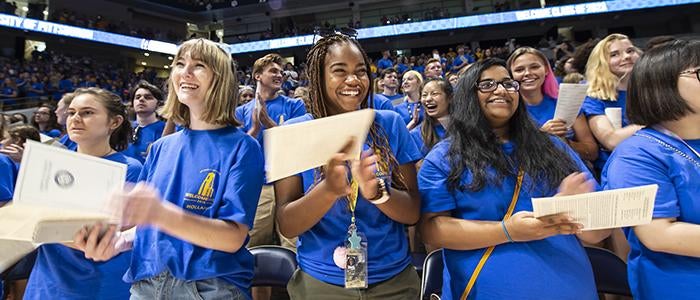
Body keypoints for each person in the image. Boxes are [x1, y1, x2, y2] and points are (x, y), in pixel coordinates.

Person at [78, 38, 264, 300]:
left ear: (220, 79)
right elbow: (147, 224)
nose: (185, 72)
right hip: (146, 284)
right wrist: (121, 241)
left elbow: (232, 238)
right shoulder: (160, 148)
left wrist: (160, 214)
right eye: (179, 64)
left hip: (207, 287)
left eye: (198, 65)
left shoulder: (244, 147)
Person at [419, 58, 610, 300]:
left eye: (508, 84)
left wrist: (582, 210)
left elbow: (595, 234)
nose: (501, 90)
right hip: (484, 288)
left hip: (569, 284)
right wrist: (507, 231)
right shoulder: (444, 157)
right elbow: (431, 231)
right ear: (467, 95)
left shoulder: (552, 147)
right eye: (487, 84)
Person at [275, 33, 422, 299]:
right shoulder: (293, 133)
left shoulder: (390, 124)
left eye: (361, 71)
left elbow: (412, 212)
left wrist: (378, 193)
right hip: (321, 282)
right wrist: (328, 190)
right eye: (339, 71)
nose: (353, 80)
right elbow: (287, 224)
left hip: (393, 280)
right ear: (319, 78)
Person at [603, 39, 700, 300]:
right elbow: (659, 234)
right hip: (681, 286)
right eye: (699, 72)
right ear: (661, 84)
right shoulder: (636, 154)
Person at [23, 87, 142, 300]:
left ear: (114, 122)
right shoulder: (50, 164)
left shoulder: (131, 169)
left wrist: (40, 224)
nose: (76, 118)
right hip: (47, 285)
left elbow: (109, 236)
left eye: (87, 112)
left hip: (100, 287)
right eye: (71, 113)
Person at [235, 53, 306, 254]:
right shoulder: (241, 112)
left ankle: (293, 287)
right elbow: (238, 152)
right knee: (254, 248)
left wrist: (269, 125)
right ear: (257, 75)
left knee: (293, 248)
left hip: (290, 182)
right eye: (273, 71)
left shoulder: (295, 105)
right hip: (258, 185)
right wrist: (255, 129)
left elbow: (299, 144)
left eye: (281, 72)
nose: (280, 75)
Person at [507, 47, 598, 163]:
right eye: (519, 70)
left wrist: (565, 143)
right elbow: (507, 158)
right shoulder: (507, 111)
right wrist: (542, 137)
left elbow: (592, 152)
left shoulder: (567, 102)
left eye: (534, 67)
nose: (528, 73)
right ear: (511, 76)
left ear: (546, 70)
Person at [582, 34, 644, 172]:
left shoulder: (652, 89)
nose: (626, 57)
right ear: (601, 63)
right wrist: (659, 122)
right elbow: (611, 140)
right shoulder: (593, 97)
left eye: (630, 51)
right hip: (621, 168)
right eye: (615, 54)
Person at [122, 80, 165, 163]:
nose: (141, 99)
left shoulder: (166, 130)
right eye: (137, 97)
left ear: (158, 104)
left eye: (148, 97)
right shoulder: (122, 128)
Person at [410, 78, 451, 157]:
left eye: (434, 94)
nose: (428, 99)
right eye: (424, 95)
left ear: (450, 98)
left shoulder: (464, 127)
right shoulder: (416, 135)